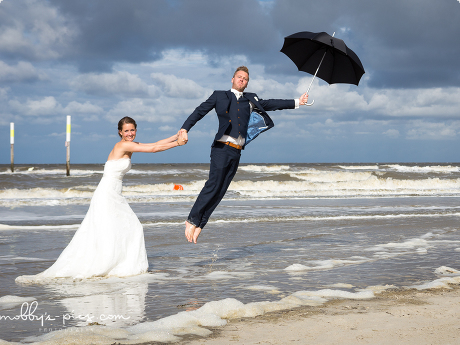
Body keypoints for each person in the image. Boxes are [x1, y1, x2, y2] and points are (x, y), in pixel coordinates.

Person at [16, 117, 187, 283]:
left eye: (132, 130)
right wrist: (177, 144)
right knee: (130, 227)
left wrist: (175, 136)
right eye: (126, 130)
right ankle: (119, 266)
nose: (130, 133)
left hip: (113, 193)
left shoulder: (131, 145)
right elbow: (154, 149)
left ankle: (119, 266)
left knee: (119, 229)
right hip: (107, 193)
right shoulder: (122, 145)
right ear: (120, 132)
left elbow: (154, 143)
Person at [180, 66, 309, 244]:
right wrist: (185, 129)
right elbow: (199, 111)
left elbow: (272, 104)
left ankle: (200, 224)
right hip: (221, 148)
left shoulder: (251, 98)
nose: (242, 80)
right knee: (213, 184)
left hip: (237, 151)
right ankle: (191, 220)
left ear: (247, 83)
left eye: (245, 78)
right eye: (239, 77)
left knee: (221, 189)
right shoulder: (219, 95)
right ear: (232, 79)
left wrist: (297, 102)